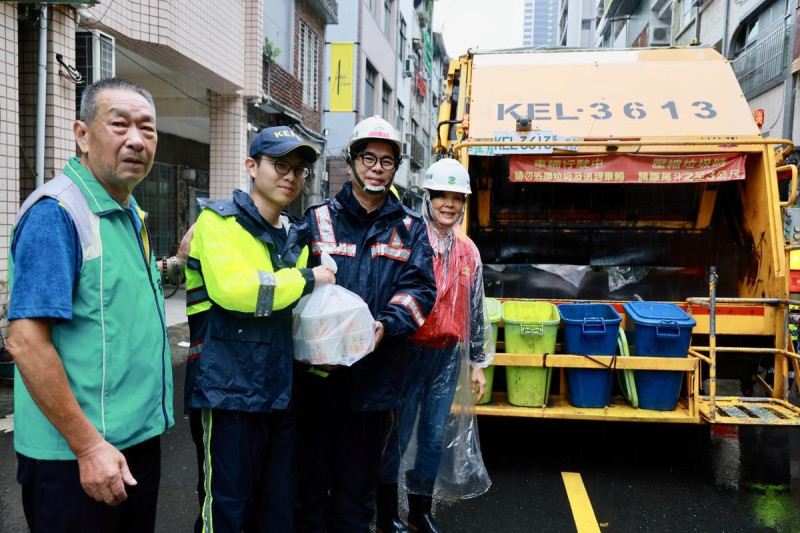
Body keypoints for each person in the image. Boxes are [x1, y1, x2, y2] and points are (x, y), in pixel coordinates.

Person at [6, 77, 176, 532]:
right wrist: (88, 448)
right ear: (82, 134)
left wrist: (175, 265)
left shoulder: (126, 211)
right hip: (78, 453)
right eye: (119, 125)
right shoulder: (57, 213)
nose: (136, 140)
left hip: (133, 443)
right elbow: (25, 342)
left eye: (148, 128)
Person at [183, 125, 336, 532]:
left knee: (277, 511)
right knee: (227, 512)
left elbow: (299, 316)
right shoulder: (216, 223)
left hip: (282, 394)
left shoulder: (297, 236)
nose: (291, 176)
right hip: (227, 391)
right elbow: (237, 291)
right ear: (252, 166)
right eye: (280, 164)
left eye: (299, 169)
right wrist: (306, 278)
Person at [295, 115, 437, 532]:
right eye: (369, 158)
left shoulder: (410, 228)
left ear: (396, 168)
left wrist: (384, 326)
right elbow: (293, 288)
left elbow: (420, 290)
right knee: (309, 489)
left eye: (387, 161)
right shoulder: (316, 220)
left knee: (357, 494)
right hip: (317, 381)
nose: (377, 167)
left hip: (376, 384)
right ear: (352, 161)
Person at [377, 158, 494, 533]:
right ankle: (384, 514)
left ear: (464, 202)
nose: (449, 204)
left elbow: (475, 309)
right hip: (407, 352)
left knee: (432, 437)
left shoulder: (467, 251)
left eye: (456, 197)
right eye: (440, 195)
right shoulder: (409, 238)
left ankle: (418, 512)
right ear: (427, 197)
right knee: (396, 435)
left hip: (446, 354)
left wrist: (478, 362)